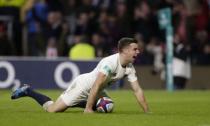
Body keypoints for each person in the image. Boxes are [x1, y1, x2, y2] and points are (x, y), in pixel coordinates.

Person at [11, 37, 150, 113]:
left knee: (109, 106)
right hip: (83, 86)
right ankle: (28, 91)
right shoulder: (110, 63)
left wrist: (146, 112)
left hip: (98, 89)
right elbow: (96, 84)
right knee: (52, 110)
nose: (138, 52)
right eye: (134, 49)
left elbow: (137, 90)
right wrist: (88, 109)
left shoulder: (129, 67)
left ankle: (79, 103)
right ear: (124, 51)